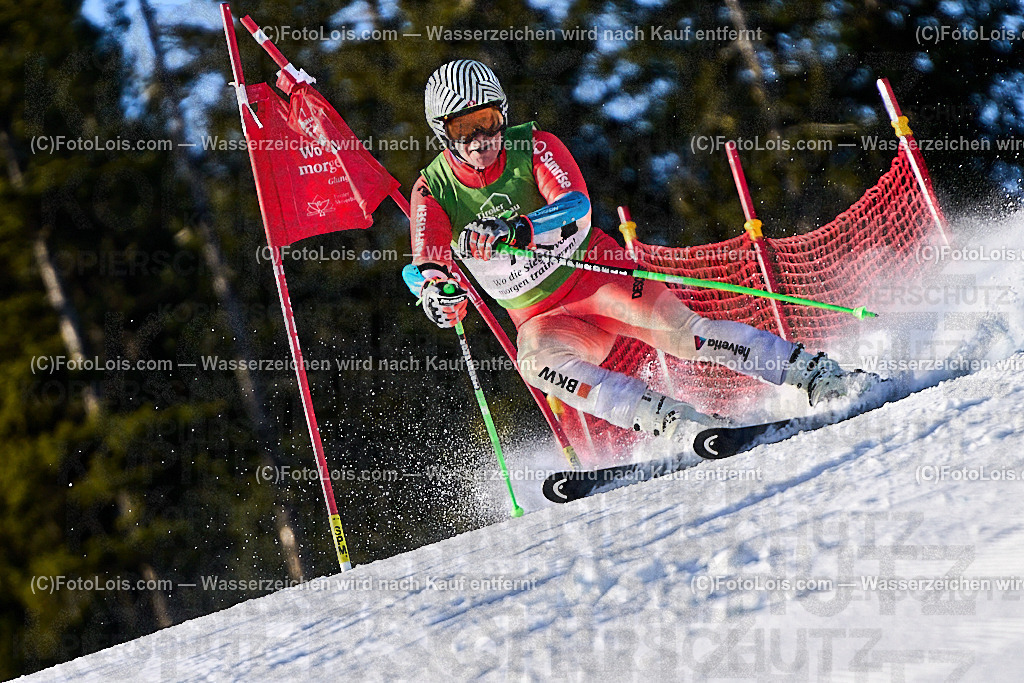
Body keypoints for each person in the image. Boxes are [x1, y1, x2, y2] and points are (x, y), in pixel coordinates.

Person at [408, 59, 875, 441]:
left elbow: (576, 207)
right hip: (539, 317)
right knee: (536, 365)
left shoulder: (534, 147)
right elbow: (425, 263)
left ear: (502, 116)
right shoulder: (434, 188)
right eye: (463, 129)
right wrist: (437, 294)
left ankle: (820, 376)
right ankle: (673, 422)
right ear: (441, 132)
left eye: (487, 122)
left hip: (596, 275)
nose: (479, 141)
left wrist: (522, 228)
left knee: (686, 337)